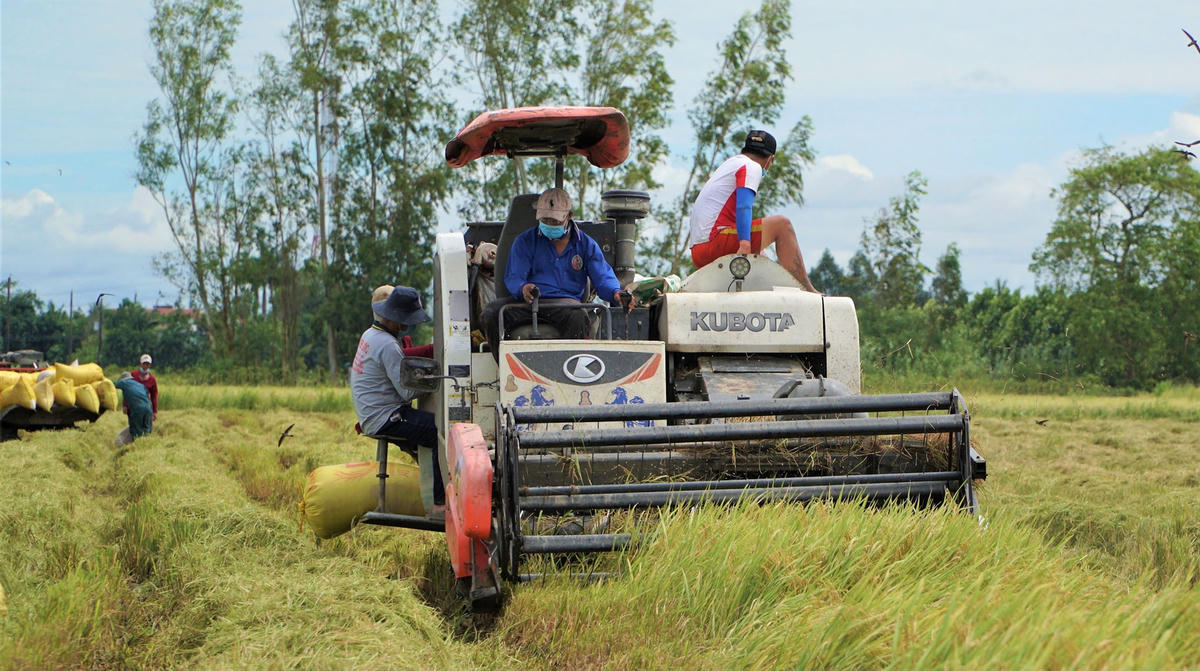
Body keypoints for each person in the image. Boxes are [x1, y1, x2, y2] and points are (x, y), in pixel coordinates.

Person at [481, 187, 628, 360]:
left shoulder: (586, 245)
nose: (549, 225)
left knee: (579, 316)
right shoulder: (525, 241)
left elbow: (603, 277)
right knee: (491, 313)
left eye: (555, 221)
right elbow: (514, 277)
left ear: (569, 216)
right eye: (545, 220)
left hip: (566, 305)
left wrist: (616, 293)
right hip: (529, 304)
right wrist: (523, 288)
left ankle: (571, 369)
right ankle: (506, 369)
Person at [688, 130, 820, 293]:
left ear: (744, 149)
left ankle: (773, 290)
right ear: (770, 159)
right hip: (714, 242)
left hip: (698, 251)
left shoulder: (731, 164)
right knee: (782, 225)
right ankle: (806, 289)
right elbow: (744, 206)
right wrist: (744, 244)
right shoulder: (751, 167)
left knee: (761, 255)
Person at [348, 286, 442, 501]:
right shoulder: (388, 345)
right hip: (385, 417)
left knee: (427, 428)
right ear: (393, 317)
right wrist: (434, 378)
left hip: (372, 413)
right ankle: (439, 502)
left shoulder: (371, 334)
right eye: (405, 318)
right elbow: (408, 392)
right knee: (438, 432)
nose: (407, 324)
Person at [114, 371, 153, 439]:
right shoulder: (141, 385)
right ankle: (147, 445)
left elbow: (113, 384)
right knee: (147, 430)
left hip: (137, 410)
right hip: (148, 409)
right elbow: (147, 396)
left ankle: (137, 446)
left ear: (123, 379)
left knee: (136, 431)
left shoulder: (124, 382)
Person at [130, 353, 158, 420]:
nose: (145, 366)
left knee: (146, 426)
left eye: (147, 364)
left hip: (146, 405)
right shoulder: (133, 375)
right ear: (140, 364)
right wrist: (125, 405)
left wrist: (155, 411)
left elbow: (154, 396)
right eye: (144, 364)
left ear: (150, 365)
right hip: (134, 405)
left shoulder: (152, 379)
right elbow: (128, 390)